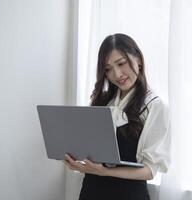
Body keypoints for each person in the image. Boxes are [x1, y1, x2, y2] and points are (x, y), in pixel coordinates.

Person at [63, 33, 171, 200]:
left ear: (138, 60)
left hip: (128, 195)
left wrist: (105, 171)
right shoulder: (103, 100)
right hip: (91, 192)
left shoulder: (155, 106)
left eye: (121, 63)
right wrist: (78, 162)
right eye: (108, 69)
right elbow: (91, 153)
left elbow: (149, 171)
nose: (117, 74)